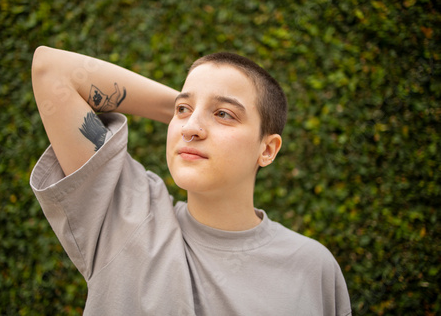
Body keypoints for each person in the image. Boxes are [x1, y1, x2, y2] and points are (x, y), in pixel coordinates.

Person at [30, 46, 352, 315]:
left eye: (225, 114)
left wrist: (193, 107)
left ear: (267, 149)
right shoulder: (126, 218)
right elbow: (51, 69)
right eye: (183, 111)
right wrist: (187, 108)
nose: (189, 128)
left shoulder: (314, 269)